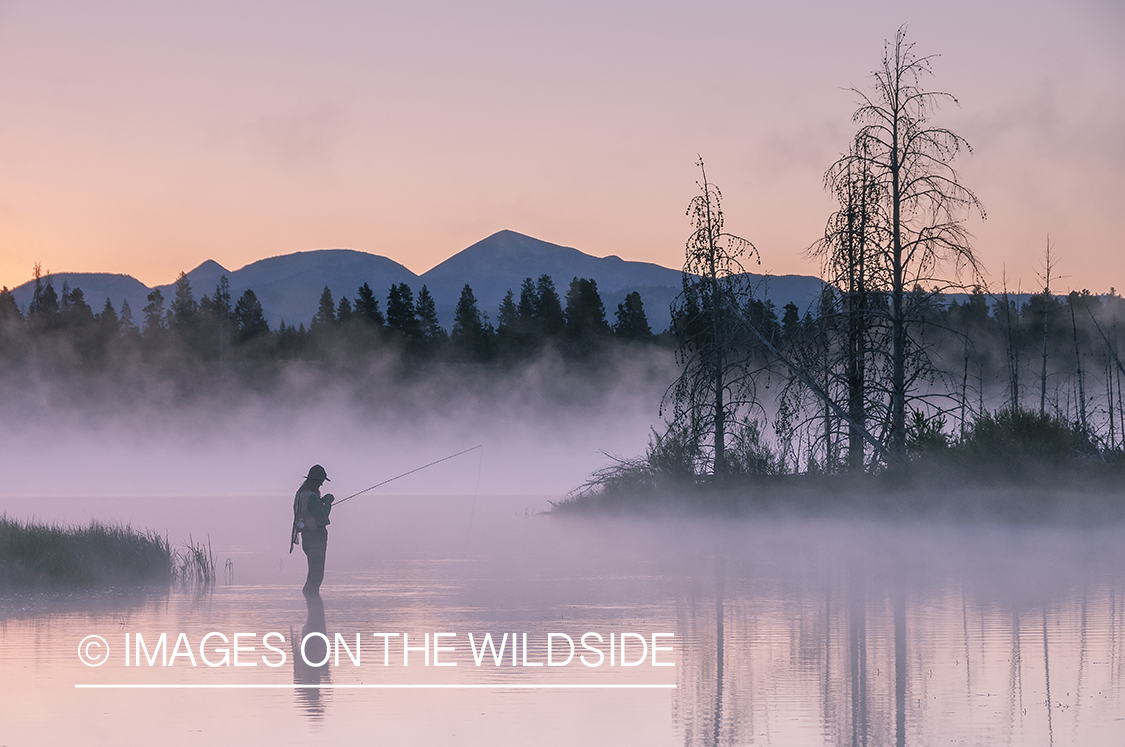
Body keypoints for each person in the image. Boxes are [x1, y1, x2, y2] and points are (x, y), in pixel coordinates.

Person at [292, 464, 334, 597]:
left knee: (312, 570)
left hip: (306, 536)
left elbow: (308, 510)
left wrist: (320, 502)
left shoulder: (301, 493)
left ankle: (311, 603)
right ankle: (311, 597)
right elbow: (322, 518)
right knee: (316, 573)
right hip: (316, 537)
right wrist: (327, 503)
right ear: (316, 481)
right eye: (321, 481)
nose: (321, 484)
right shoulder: (312, 497)